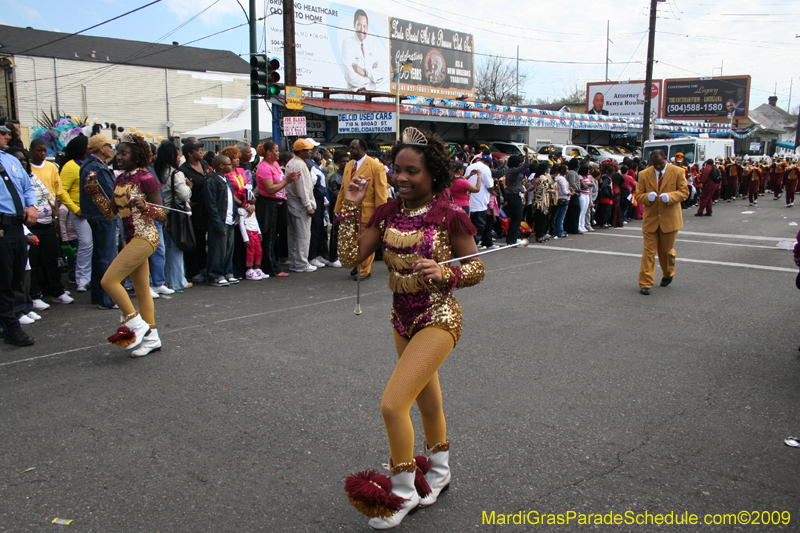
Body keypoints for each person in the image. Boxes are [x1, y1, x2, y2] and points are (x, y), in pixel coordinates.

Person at [340, 128, 485, 529]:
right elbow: (350, 257)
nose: (402, 178)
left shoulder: (449, 216)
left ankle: (402, 491)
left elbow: (476, 269)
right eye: (397, 170)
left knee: (392, 404)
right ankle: (439, 472)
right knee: (427, 402)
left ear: (434, 175)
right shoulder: (387, 213)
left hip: (439, 318)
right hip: (401, 319)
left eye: (412, 171)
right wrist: (351, 207)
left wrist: (444, 273)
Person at [83, 135, 166, 357]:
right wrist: (95, 192)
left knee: (108, 281)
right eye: (118, 152)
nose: (119, 157)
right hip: (130, 239)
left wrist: (145, 206)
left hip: (145, 237)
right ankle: (153, 338)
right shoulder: (120, 180)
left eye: (124, 153)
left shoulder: (146, 177)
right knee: (140, 290)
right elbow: (111, 212)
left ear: (136, 155)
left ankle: (136, 324)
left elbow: (162, 214)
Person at [634, 150, 689, 295]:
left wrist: (671, 196)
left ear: (665, 159)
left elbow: (684, 192)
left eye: (660, 164)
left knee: (666, 252)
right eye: (654, 164)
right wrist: (646, 197)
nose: (657, 167)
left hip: (670, 219)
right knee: (648, 252)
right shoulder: (644, 174)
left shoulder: (678, 172)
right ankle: (645, 283)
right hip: (651, 220)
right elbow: (639, 196)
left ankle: (668, 272)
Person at [334, 138, 389, 280]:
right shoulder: (349, 165)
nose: (350, 150)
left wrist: (380, 214)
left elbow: (381, 193)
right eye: (350, 147)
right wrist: (339, 208)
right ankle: (357, 264)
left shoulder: (376, 166)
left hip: (367, 212)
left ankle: (364, 270)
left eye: (353, 148)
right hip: (350, 211)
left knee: (366, 242)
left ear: (362, 149)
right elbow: (343, 188)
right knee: (353, 240)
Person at [28, 139, 74, 306]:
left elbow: (56, 191)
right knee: (34, 260)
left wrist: (55, 214)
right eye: (39, 150)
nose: (42, 154)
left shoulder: (51, 167)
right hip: (32, 221)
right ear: (31, 150)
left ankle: (57, 290)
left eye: (44, 150)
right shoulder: (27, 168)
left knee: (51, 257)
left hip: (48, 220)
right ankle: (35, 293)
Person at [80, 134, 120, 310]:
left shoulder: (89, 165)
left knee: (99, 257)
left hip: (96, 215)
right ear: (101, 148)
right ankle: (107, 298)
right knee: (107, 257)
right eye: (109, 146)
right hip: (104, 216)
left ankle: (98, 295)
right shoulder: (97, 168)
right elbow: (108, 194)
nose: (111, 150)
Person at [255, 141, 298, 278]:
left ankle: (272, 263)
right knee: (269, 237)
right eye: (276, 150)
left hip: (278, 203)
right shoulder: (264, 167)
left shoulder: (276, 165)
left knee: (275, 236)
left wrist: (289, 179)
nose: (278, 153)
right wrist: (287, 181)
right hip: (268, 204)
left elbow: (281, 181)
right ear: (269, 153)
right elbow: (270, 188)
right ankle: (270, 267)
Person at [155, 141, 192, 290]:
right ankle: (176, 281)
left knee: (161, 250)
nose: (179, 158)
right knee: (176, 249)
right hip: (174, 215)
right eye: (178, 155)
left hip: (159, 213)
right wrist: (189, 188)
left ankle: (162, 280)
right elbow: (183, 194)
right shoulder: (175, 174)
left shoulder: (155, 171)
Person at [60, 135, 92, 292]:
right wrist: (75, 209)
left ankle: (90, 276)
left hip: (93, 210)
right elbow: (61, 191)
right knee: (85, 243)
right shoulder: (70, 166)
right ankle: (82, 279)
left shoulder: (91, 164)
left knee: (93, 244)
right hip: (79, 211)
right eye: (88, 144)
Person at [205, 155, 240, 286]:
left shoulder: (226, 180)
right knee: (217, 249)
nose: (231, 166)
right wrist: (218, 223)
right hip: (220, 220)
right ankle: (215, 275)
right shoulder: (212, 181)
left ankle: (227, 272)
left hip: (230, 219)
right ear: (221, 166)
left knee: (229, 248)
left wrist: (236, 216)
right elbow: (211, 205)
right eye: (228, 164)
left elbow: (231, 199)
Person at [285, 139, 318, 273]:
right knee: (303, 235)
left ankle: (294, 262)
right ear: (301, 151)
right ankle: (301, 263)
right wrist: (308, 205)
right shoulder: (298, 164)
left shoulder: (292, 163)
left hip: (293, 204)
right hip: (300, 205)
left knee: (294, 235)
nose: (310, 151)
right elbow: (302, 188)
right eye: (308, 149)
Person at [180, 139, 210, 283]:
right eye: (198, 150)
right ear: (189, 154)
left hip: (207, 207)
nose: (201, 152)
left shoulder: (204, 164)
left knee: (204, 239)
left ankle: (204, 265)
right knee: (195, 239)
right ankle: (193, 270)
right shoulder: (184, 170)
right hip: (195, 207)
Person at [341, 9, 386, 91]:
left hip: (371, 96)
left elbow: (382, 75)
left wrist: (364, 73)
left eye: (365, 26)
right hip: (354, 96)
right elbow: (350, 76)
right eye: (359, 25)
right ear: (354, 25)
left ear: (368, 28)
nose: (362, 29)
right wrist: (372, 80)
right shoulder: (347, 43)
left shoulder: (372, 47)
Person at [464, 154, 494, 249]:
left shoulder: (470, 167)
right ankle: (473, 244)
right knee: (479, 224)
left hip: (469, 200)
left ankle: (470, 243)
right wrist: (494, 192)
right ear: (488, 163)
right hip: (480, 201)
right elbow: (490, 185)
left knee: (470, 224)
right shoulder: (485, 168)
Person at [326, 151, 349, 268]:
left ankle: (341, 255)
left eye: (347, 161)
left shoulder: (350, 176)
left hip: (349, 208)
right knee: (336, 233)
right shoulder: (335, 177)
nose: (345, 163)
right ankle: (333, 256)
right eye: (343, 161)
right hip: (338, 208)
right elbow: (335, 195)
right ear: (338, 163)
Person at [503, 149, 530, 244]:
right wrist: (527, 154)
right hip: (514, 194)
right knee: (517, 217)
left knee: (514, 217)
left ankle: (512, 238)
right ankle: (512, 239)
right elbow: (526, 165)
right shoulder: (514, 171)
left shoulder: (508, 170)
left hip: (510, 194)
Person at [528, 161, 557, 243]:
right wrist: (552, 190)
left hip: (542, 200)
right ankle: (540, 236)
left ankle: (541, 234)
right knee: (541, 219)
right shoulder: (542, 178)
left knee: (542, 219)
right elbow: (544, 189)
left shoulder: (542, 177)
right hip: (542, 201)